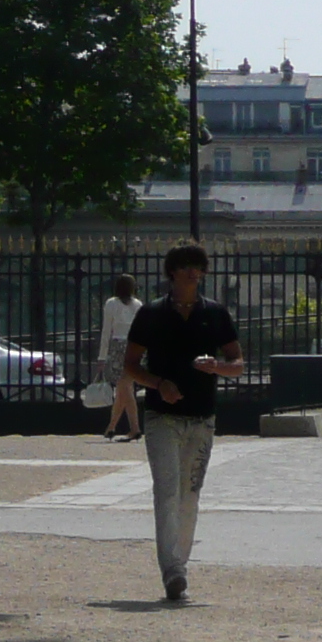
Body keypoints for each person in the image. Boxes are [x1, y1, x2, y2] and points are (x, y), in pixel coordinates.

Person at [124, 240, 246, 604]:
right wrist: (159, 383)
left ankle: (181, 563)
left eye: (199, 266)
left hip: (202, 417)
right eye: (187, 266)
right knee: (167, 491)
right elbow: (130, 365)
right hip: (162, 416)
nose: (194, 272)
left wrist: (218, 367)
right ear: (173, 272)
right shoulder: (151, 313)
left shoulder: (217, 313)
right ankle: (173, 571)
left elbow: (238, 363)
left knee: (190, 495)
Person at [96, 274, 143, 442]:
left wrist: (102, 356)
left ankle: (135, 428)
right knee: (124, 388)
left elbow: (106, 331)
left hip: (118, 347)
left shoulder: (111, 304)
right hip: (134, 346)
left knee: (125, 388)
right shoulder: (138, 304)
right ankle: (111, 427)